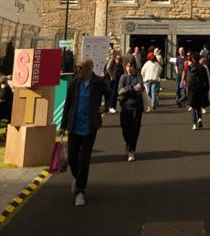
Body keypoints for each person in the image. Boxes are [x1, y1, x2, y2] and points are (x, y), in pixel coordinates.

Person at [58, 58, 108, 207]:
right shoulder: (75, 83)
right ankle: (76, 176)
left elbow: (110, 93)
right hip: (74, 126)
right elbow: (68, 104)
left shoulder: (98, 82)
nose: (79, 71)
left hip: (89, 127)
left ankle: (80, 191)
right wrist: (63, 125)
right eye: (78, 68)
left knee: (84, 160)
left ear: (90, 68)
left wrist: (106, 106)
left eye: (82, 68)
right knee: (72, 157)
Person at [117, 56, 145, 161]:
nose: (130, 68)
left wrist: (127, 89)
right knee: (125, 128)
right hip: (125, 107)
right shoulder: (123, 77)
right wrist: (132, 88)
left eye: (131, 66)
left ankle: (132, 151)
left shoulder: (138, 77)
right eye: (128, 66)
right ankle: (127, 143)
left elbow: (140, 88)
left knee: (135, 129)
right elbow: (120, 91)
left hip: (137, 107)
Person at [188, 52, 210, 129]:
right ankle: (200, 118)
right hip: (201, 88)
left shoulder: (191, 67)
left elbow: (188, 79)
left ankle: (194, 123)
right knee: (198, 105)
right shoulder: (203, 68)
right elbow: (206, 79)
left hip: (193, 89)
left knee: (193, 106)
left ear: (193, 59)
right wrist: (207, 89)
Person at [104, 50, 123, 115]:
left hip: (116, 79)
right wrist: (111, 76)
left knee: (114, 93)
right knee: (112, 93)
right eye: (117, 58)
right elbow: (108, 68)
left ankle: (112, 107)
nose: (118, 59)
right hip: (111, 80)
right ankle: (110, 107)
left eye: (119, 58)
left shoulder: (118, 63)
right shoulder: (111, 60)